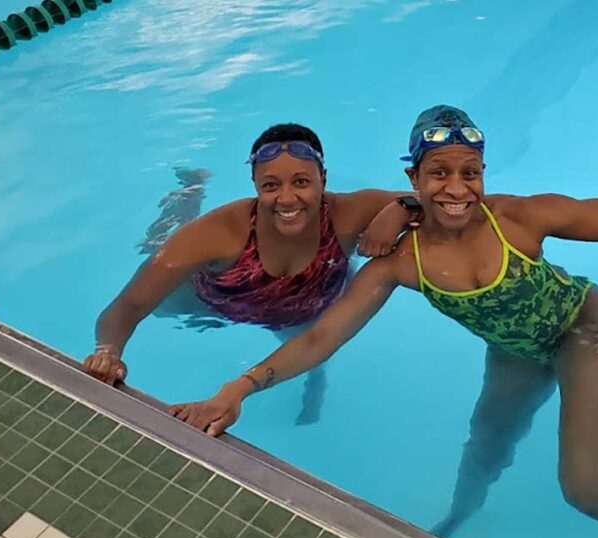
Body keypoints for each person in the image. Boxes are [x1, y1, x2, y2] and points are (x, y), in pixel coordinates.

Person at [170, 106, 598, 538]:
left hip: (589, 331)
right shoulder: (402, 262)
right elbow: (323, 336)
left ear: (483, 174)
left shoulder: (518, 218)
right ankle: (461, 514)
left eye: (469, 172)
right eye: (438, 173)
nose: (456, 187)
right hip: (516, 352)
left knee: (590, 491)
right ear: (413, 179)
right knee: (485, 445)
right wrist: (239, 386)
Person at [83, 123, 409, 424]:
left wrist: (401, 207)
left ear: (323, 177)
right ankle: (190, 191)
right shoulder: (219, 232)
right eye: (271, 185)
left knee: (314, 344)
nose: (286, 198)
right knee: (158, 247)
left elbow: (442, 201)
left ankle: (315, 378)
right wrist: (108, 352)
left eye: (301, 182)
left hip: (302, 307)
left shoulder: (350, 215)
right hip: (208, 301)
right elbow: (127, 307)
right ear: (255, 184)